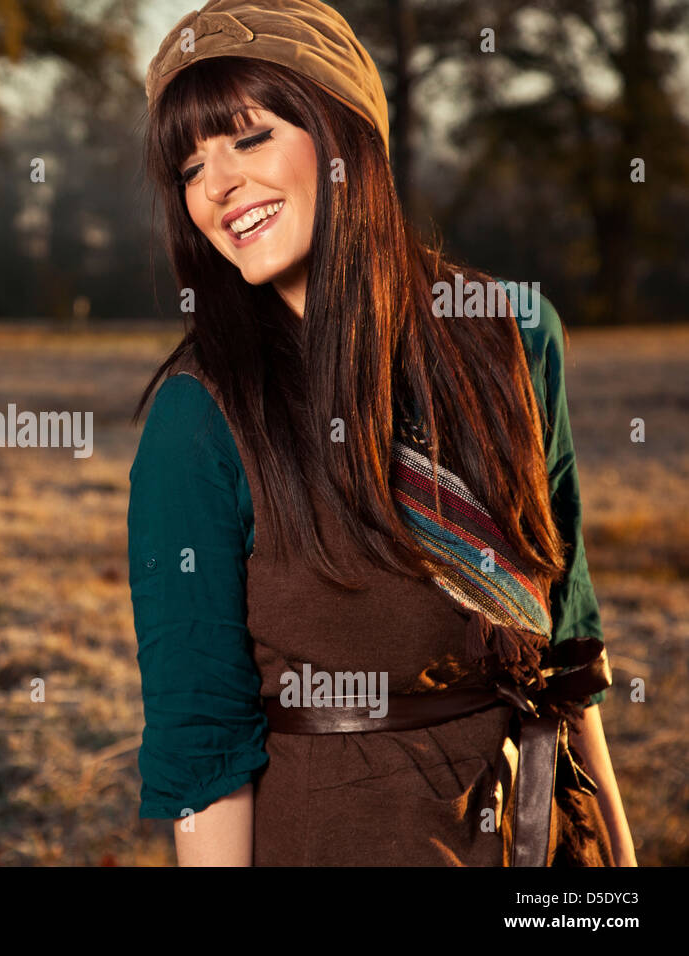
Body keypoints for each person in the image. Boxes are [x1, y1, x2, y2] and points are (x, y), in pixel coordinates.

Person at [128, 0, 636, 866]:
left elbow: (565, 639)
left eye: (249, 139)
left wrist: (618, 857)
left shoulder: (516, 334)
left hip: (542, 839)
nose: (215, 186)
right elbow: (202, 743)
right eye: (189, 166)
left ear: (343, 136)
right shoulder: (197, 417)